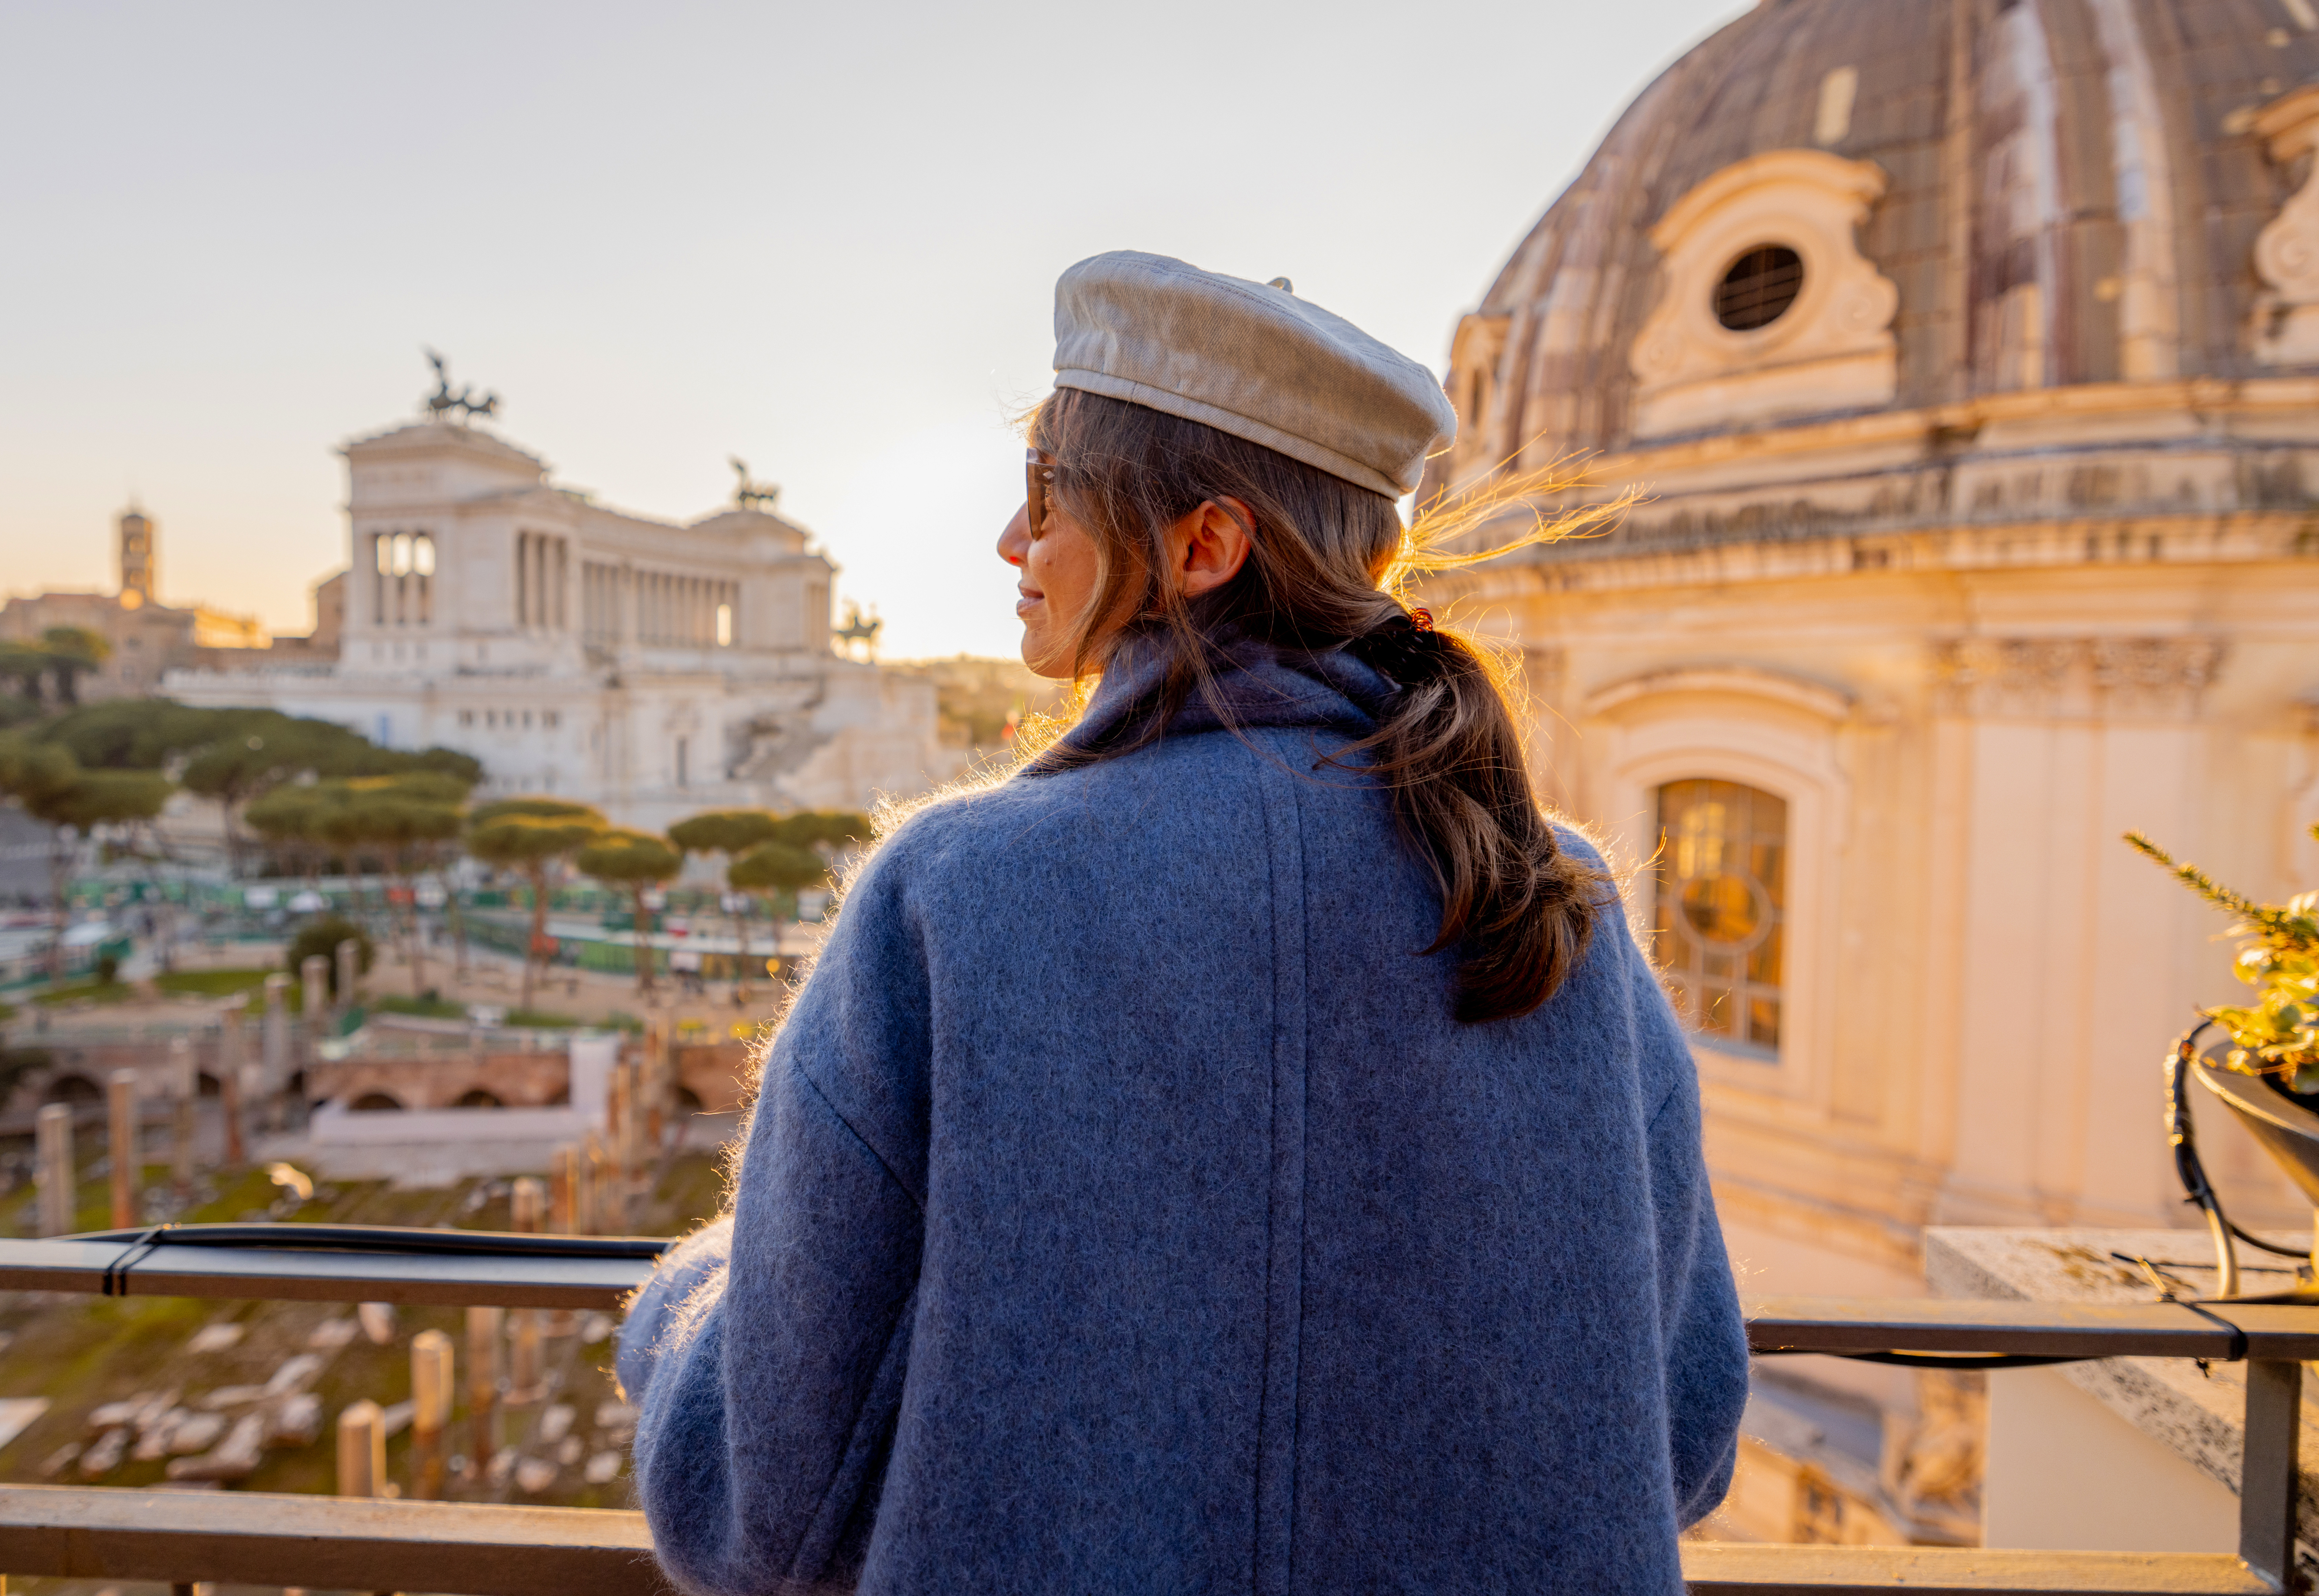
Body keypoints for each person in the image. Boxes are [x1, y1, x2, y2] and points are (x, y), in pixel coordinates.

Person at [619, 250, 1748, 1594]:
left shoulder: (953, 892)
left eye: (1042, 495)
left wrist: (685, 1307)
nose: (1007, 542)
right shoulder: (1556, 895)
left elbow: (759, 1509)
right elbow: (1676, 1442)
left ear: (1200, 546)